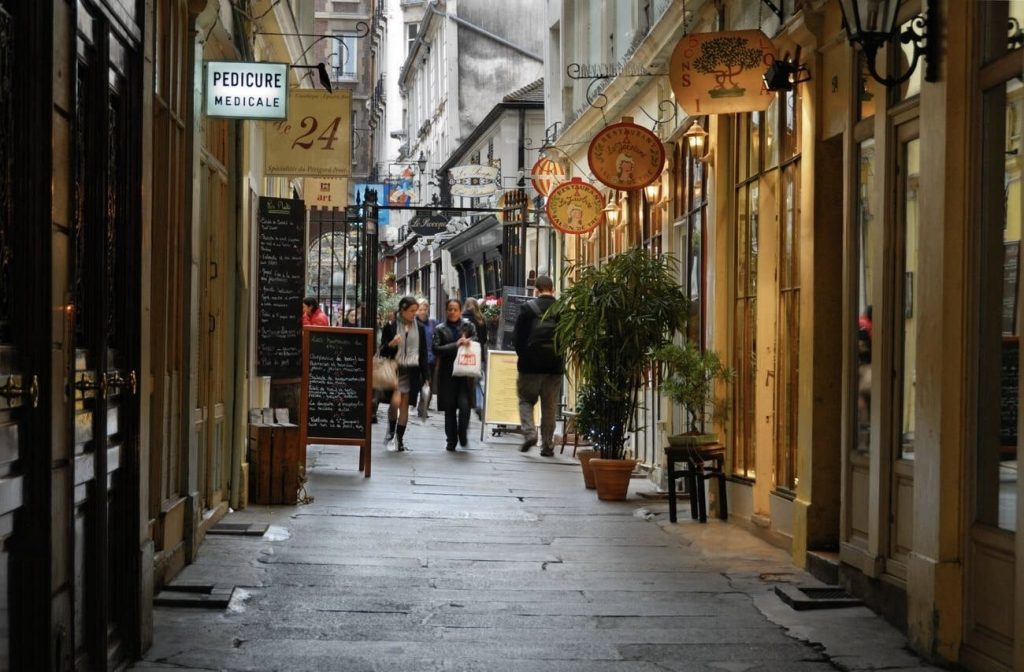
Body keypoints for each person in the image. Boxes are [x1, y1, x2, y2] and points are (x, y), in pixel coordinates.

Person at [513, 275, 563, 456]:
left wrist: (524, 357)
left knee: (526, 400)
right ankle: (548, 445)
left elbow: (517, 338)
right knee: (549, 406)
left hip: (529, 367)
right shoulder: (561, 310)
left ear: (536, 290)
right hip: (553, 367)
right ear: (553, 289)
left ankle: (530, 433)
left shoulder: (527, 309)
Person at [378, 296, 429, 452]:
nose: (415, 314)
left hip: (411, 370)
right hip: (394, 369)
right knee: (395, 402)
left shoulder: (419, 328)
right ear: (403, 310)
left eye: (416, 310)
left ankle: (399, 439)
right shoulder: (391, 327)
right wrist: (392, 344)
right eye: (412, 311)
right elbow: (382, 351)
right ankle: (391, 431)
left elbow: (423, 353)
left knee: (404, 404)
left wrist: (426, 376)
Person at [433, 298, 477, 451]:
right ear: (446, 311)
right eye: (450, 309)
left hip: (465, 373)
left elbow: (477, 341)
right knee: (450, 408)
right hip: (447, 373)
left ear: (460, 311)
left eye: (455, 309)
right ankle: (451, 440)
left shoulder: (468, 326)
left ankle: (462, 433)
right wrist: (455, 345)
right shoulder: (440, 328)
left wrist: (469, 341)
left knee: (465, 406)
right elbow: (436, 349)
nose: (452, 312)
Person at [462, 297, 489, 419]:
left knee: (465, 380)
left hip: (465, 353)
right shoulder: (481, 319)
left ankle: (465, 404)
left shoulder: (462, 319)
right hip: (479, 354)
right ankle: (479, 404)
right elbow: (484, 339)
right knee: (478, 380)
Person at [416, 298, 438, 420]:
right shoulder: (413, 323)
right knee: (417, 383)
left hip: (430, 359)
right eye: (420, 309)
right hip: (416, 358)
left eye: (425, 309)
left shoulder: (433, 323)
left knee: (427, 384)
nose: (423, 312)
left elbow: (437, 340)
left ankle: (422, 408)